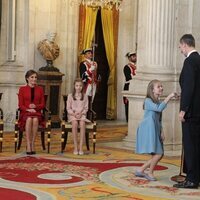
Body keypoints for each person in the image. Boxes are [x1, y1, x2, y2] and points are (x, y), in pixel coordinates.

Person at [173, 34, 200, 189]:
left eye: (180, 46)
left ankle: (191, 179)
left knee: (190, 146)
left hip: (191, 112)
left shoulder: (189, 61)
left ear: (185, 45)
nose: (180, 49)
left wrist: (183, 109)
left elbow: (189, 87)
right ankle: (197, 176)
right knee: (197, 145)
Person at [135, 79, 176, 181]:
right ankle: (149, 172)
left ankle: (141, 170)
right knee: (158, 153)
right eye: (158, 86)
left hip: (155, 128)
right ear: (152, 90)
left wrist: (161, 131)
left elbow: (159, 119)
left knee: (159, 154)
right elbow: (159, 109)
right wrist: (169, 97)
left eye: (161, 86)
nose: (161, 88)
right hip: (148, 129)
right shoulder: (148, 101)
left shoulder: (157, 101)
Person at [18, 70, 45, 155]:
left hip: (37, 113)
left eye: (35, 77)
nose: (34, 79)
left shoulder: (40, 89)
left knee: (35, 120)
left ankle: (33, 143)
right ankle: (28, 144)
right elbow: (20, 105)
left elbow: (43, 104)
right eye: (32, 77)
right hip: (25, 113)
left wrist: (35, 107)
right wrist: (28, 109)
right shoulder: (22, 89)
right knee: (29, 119)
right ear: (27, 78)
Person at [67, 78, 90, 155]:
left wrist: (81, 113)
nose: (78, 87)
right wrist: (74, 114)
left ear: (82, 87)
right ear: (74, 86)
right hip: (72, 115)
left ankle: (81, 147)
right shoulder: (70, 96)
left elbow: (86, 108)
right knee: (75, 124)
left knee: (82, 123)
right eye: (77, 85)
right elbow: (68, 108)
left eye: (80, 86)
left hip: (82, 115)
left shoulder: (85, 96)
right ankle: (75, 147)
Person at [123, 52, 137, 122]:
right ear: (129, 58)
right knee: (128, 103)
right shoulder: (127, 67)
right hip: (129, 86)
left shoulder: (138, 66)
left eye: (135, 56)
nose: (135, 57)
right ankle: (128, 120)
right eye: (133, 56)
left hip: (136, 86)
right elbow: (128, 77)